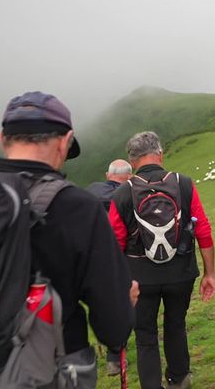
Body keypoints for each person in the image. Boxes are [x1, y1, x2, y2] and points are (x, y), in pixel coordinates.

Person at [0, 91, 137, 386]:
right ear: (65, 142)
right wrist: (124, 301)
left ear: (2, 138)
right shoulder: (78, 208)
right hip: (52, 368)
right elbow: (113, 328)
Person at [109, 131, 215, 389]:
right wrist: (209, 273)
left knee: (145, 336)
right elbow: (203, 230)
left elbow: (115, 243)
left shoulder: (123, 193)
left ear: (132, 161)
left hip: (139, 278)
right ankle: (178, 379)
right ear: (160, 154)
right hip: (181, 272)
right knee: (176, 325)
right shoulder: (184, 184)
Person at [85, 158, 133, 375]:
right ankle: (119, 356)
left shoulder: (89, 192)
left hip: (92, 260)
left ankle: (112, 358)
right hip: (123, 258)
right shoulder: (129, 195)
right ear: (129, 178)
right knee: (127, 303)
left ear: (107, 175)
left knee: (104, 304)